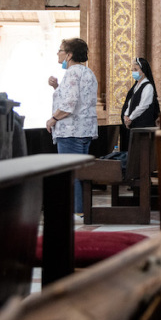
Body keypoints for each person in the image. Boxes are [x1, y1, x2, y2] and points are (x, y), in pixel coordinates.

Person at [47, 38, 99, 217]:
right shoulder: (88, 73)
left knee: (72, 173)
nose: (58, 53)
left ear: (69, 55)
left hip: (70, 131)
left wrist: (53, 119)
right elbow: (80, 99)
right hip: (85, 130)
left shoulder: (71, 73)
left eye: (60, 50)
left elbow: (69, 103)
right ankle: (82, 210)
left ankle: (77, 212)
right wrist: (57, 87)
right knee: (81, 173)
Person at [121, 57, 160, 130]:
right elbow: (130, 102)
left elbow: (143, 105)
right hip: (134, 125)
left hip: (144, 125)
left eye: (136, 70)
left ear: (143, 71)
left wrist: (130, 117)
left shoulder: (148, 86)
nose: (133, 72)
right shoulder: (136, 86)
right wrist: (126, 115)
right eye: (132, 70)